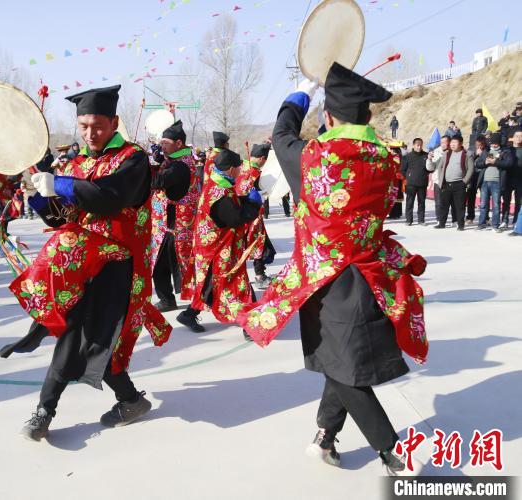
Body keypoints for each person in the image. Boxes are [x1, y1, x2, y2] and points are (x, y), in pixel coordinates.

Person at [239, 63, 429, 477]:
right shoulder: (385, 158)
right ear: (367, 117)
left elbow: (281, 134)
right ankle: (326, 435)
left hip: (326, 281)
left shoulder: (314, 157)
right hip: (372, 276)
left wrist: (298, 96)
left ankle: (393, 451)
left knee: (341, 364)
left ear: (328, 117)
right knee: (341, 360)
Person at [0, 85, 173, 441]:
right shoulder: (78, 163)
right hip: (82, 264)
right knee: (78, 333)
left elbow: (109, 197)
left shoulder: (132, 159)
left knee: (94, 339)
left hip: (119, 266)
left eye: (97, 125)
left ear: (113, 123)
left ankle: (64, 407)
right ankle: (64, 407)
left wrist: (59, 183)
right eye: (83, 126)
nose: (90, 133)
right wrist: (38, 195)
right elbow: (64, 217)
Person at [179, 148, 262, 340]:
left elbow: (231, 206)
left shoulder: (215, 182)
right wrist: (253, 205)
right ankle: (249, 324)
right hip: (219, 249)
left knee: (208, 283)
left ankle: (189, 314)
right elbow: (234, 218)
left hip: (211, 247)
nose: (241, 171)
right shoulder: (220, 193)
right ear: (232, 169)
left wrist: (243, 199)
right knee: (237, 285)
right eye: (239, 168)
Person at [149, 120, 196, 313]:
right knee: (160, 265)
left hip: (177, 225)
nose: (162, 146)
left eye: (165, 143)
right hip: (166, 224)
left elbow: (159, 181)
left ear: (179, 143)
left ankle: (198, 302)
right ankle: (167, 299)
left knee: (183, 264)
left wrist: (140, 166)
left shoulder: (180, 166)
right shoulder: (177, 161)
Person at [236, 142, 276, 289]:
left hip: (239, 212)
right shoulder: (255, 173)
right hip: (252, 214)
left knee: (248, 245)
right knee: (258, 244)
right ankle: (259, 276)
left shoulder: (240, 168)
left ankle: (244, 276)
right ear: (262, 158)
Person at [427, 134, 473, 231]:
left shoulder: (466, 154)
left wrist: (464, 182)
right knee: (444, 205)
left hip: (459, 184)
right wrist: (441, 179)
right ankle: (442, 223)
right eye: (451, 142)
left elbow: (470, 169)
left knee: (459, 206)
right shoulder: (447, 153)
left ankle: (460, 224)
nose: (452, 145)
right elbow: (439, 167)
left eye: (455, 143)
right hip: (446, 184)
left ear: (460, 144)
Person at [476, 133, 513, 231]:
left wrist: (495, 162)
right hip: (485, 181)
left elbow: (508, 164)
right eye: (492, 143)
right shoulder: (487, 151)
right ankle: (482, 223)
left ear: (499, 143)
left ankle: (495, 225)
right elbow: (478, 164)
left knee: (496, 204)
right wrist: (485, 162)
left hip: (497, 181)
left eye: (496, 143)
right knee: (483, 204)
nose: (494, 145)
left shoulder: (504, 152)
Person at [401, 138, 429, 225]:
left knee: (422, 202)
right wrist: (408, 177)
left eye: (421, 145)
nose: (419, 147)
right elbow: (402, 170)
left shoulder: (426, 155)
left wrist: (426, 173)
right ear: (413, 145)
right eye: (417, 145)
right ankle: (409, 220)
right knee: (409, 202)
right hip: (411, 184)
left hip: (422, 183)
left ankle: (421, 220)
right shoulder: (407, 156)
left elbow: (430, 168)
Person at [500, 130, 522, 230]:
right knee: (506, 201)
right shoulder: (507, 150)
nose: (519, 138)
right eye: (517, 136)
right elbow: (500, 163)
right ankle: (504, 221)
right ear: (513, 138)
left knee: (518, 202)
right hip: (508, 178)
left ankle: (515, 221)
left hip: (520, 180)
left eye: (521, 136)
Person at [467, 135, 487, 224]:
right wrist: (476, 155)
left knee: (484, 198)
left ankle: (486, 218)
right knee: (471, 197)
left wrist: (482, 154)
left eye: (480, 145)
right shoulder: (472, 150)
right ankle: (470, 217)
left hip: (483, 176)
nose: (478, 147)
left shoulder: (487, 151)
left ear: (484, 145)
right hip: (473, 176)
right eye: (477, 145)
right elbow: (468, 162)